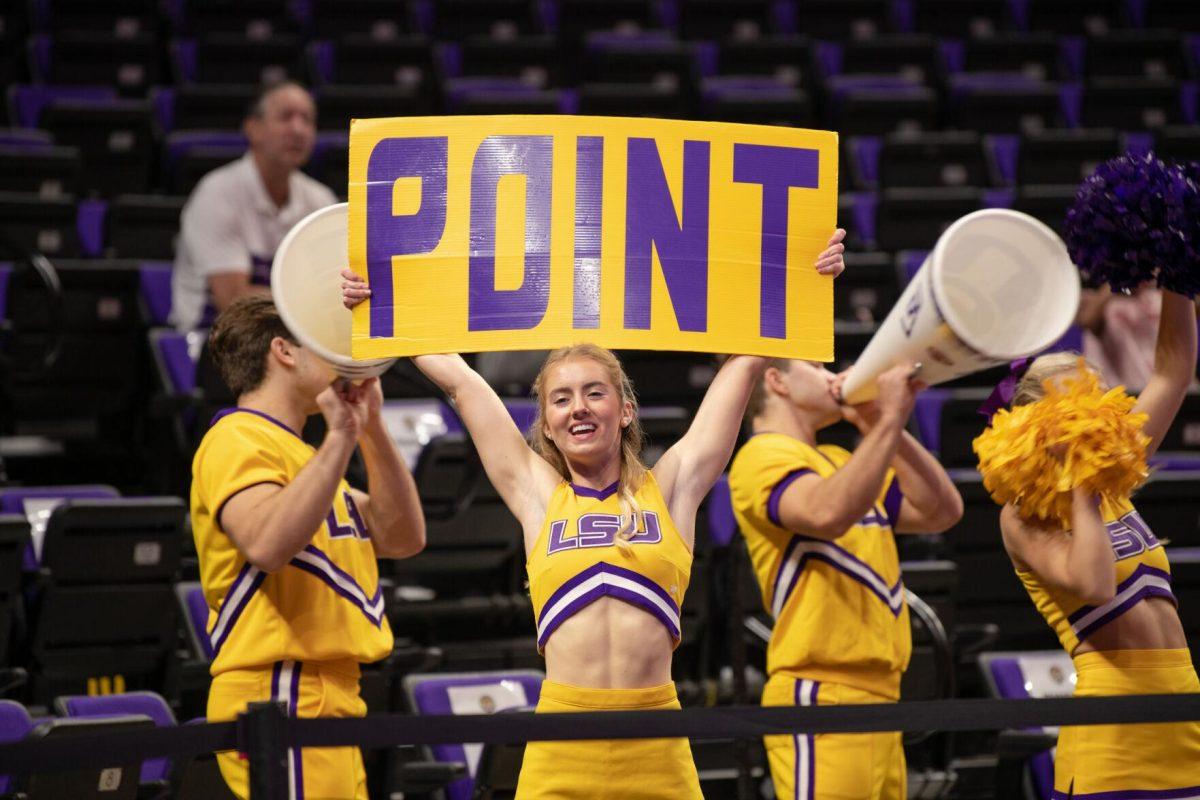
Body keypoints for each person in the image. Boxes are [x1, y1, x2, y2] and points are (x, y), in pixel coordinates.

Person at [341, 228, 847, 798]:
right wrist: (381, 301)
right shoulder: (536, 494)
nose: (577, 407)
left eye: (594, 393)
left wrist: (805, 276)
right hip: (561, 741)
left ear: (625, 408)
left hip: (658, 739)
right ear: (546, 421)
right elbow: (460, 381)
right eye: (561, 398)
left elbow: (747, 360)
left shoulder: (673, 487)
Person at [191, 296, 425, 800]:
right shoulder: (236, 437)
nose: (342, 356)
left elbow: (402, 536)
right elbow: (267, 543)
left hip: (331, 692)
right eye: (322, 338)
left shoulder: (307, 458)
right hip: (277, 691)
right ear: (284, 350)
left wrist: (373, 428)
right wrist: (341, 437)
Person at [992, 289, 1200, 796]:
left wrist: (1178, 276)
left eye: (1097, 398)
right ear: (1035, 425)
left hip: (1185, 717)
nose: (1095, 417)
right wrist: (1080, 481)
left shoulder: (1111, 476)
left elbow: (1173, 370)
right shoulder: (1026, 514)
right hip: (1115, 737)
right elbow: (1096, 584)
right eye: (1075, 407)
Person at [728, 359, 963, 800]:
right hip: (819, 695)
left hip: (881, 694)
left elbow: (941, 511)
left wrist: (882, 422)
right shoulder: (761, 455)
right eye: (816, 367)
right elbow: (825, 513)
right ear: (777, 381)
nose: (833, 376)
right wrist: (888, 420)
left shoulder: (838, 459)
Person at [171, 81, 336, 333]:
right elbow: (234, 301)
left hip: (289, 339)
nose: (298, 129)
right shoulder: (217, 193)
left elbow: (334, 288)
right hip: (215, 341)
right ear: (253, 129)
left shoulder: (320, 200)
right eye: (285, 117)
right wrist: (315, 301)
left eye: (307, 119)